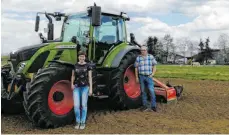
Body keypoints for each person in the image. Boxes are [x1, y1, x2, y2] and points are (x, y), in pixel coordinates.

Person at [71, 51, 93, 129]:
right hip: (76, 87)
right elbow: (73, 76)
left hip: (85, 87)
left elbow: (90, 77)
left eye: (83, 56)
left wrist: (91, 89)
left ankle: (83, 122)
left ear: (85, 57)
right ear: (78, 57)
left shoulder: (88, 66)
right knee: (76, 105)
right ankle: (78, 121)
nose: (81, 58)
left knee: (83, 105)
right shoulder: (75, 65)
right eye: (80, 56)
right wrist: (72, 84)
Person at [134, 45, 157, 112]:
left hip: (149, 76)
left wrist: (152, 74)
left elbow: (154, 65)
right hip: (141, 76)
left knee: (151, 91)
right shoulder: (138, 58)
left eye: (144, 50)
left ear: (146, 51)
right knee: (143, 91)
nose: (142, 51)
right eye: (141, 50)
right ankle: (145, 106)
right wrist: (136, 77)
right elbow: (136, 67)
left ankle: (153, 106)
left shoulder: (151, 57)